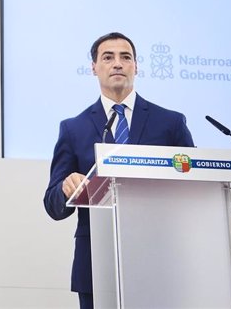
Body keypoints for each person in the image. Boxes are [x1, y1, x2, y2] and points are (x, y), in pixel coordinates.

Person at [42, 32, 193, 309]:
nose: (117, 64)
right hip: (96, 264)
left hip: (160, 261)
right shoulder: (73, 128)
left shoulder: (170, 123)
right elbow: (52, 205)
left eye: (126, 57)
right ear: (94, 68)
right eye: (107, 57)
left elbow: (193, 186)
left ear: (136, 65)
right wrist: (66, 188)